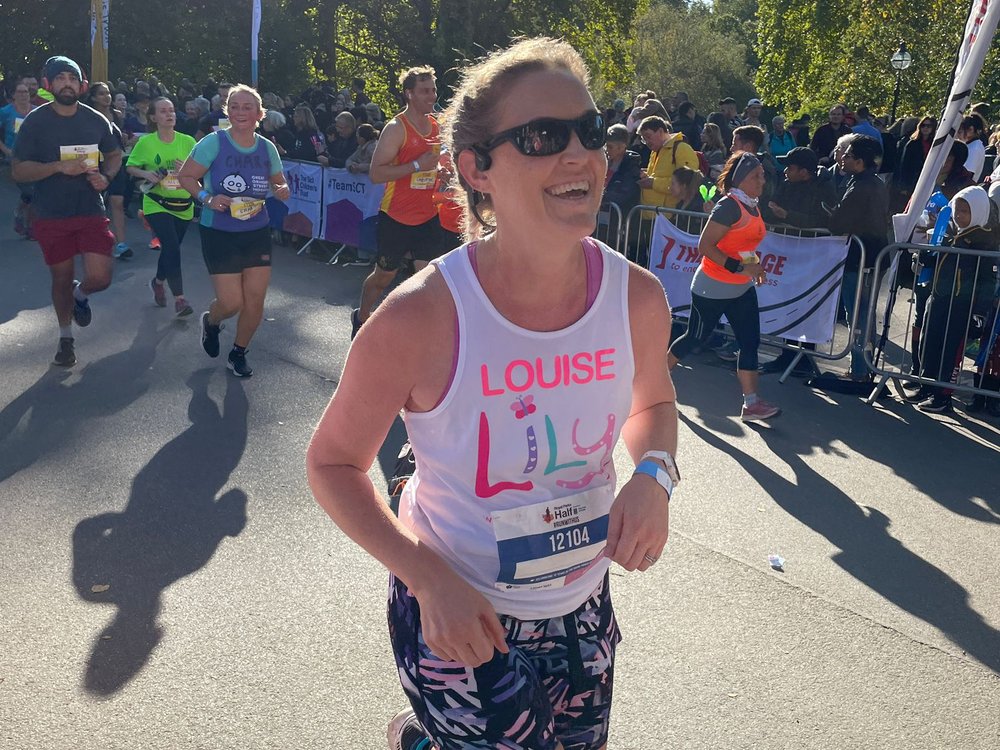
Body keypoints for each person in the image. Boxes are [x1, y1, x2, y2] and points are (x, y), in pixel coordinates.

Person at [306, 37, 678, 750]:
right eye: (542, 137)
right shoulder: (419, 318)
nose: (579, 156)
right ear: (476, 169)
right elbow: (332, 465)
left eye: (589, 132)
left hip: (582, 603)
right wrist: (423, 576)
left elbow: (653, 405)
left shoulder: (636, 298)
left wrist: (655, 476)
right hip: (458, 605)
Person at [11, 56, 122, 367]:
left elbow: (114, 155)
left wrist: (107, 177)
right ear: (49, 85)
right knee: (62, 277)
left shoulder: (95, 120)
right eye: (60, 78)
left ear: (81, 84)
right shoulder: (36, 121)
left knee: (100, 277)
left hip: (89, 209)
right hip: (51, 213)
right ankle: (65, 339)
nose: (67, 83)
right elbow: (19, 171)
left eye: (72, 78)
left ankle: (81, 295)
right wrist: (58, 167)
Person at [177, 84, 291, 378]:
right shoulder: (214, 143)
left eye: (247, 107)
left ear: (259, 113)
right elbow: (186, 176)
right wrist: (207, 199)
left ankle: (238, 352)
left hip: (256, 229)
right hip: (219, 230)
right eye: (235, 106)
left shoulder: (266, 148)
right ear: (228, 111)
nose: (241, 112)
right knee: (231, 302)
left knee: (255, 300)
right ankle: (212, 321)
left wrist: (281, 189)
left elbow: (279, 182)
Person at [667, 152, 781, 421]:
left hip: (741, 287)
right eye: (757, 176)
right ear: (741, 179)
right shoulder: (728, 206)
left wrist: (756, 267)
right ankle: (658, 379)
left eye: (762, 175)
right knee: (695, 338)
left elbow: (744, 244)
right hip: (712, 287)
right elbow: (705, 247)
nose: (762, 180)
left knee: (750, 341)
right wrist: (742, 268)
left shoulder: (752, 204)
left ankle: (751, 404)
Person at [352, 65, 444, 338]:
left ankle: (416, 336)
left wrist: (442, 172)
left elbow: (433, 166)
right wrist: (417, 165)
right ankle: (361, 316)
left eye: (434, 90)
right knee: (383, 277)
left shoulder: (436, 125)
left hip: (428, 215)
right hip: (396, 217)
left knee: (427, 278)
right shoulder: (396, 128)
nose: (432, 96)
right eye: (425, 91)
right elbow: (376, 173)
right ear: (409, 94)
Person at [909, 186, 999, 412]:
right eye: (957, 210)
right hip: (940, 295)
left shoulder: (984, 239)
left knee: (951, 350)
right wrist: (924, 259)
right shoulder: (951, 230)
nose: (959, 216)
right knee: (931, 342)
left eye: (965, 211)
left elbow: (988, 281)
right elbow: (939, 255)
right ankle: (927, 384)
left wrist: (979, 312)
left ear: (977, 211)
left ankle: (943, 395)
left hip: (962, 304)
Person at [127, 96, 197, 317]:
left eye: (172, 110)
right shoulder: (146, 143)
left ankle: (158, 282)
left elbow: (202, 170)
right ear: (154, 117)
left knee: (170, 249)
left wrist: (188, 168)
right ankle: (180, 299)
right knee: (172, 247)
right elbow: (130, 167)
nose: (170, 114)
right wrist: (146, 173)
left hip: (184, 204)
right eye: (164, 111)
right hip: (157, 202)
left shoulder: (188, 142)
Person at [828, 135, 889, 382]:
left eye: (849, 155)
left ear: (861, 161)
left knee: (858, 314)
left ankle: (860, 370)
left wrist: (831, 215)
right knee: (862, 312)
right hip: (868, 257)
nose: (842, 158)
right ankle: (861, 368)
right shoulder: (869, 182)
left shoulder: (863, 185)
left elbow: (840, 223)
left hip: (863, 259)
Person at [85, 81, 133, 259]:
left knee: (117, 203)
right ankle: (92, 240)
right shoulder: (88, 117)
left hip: (116, 164)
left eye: (108, 93)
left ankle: (121, 244)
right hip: (95, 164)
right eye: (101, 94)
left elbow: (120, 142)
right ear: (93, 98)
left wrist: (127, 139)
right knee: (94, 204)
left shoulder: (117, 115)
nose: (107, 97)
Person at [1, 79, 35, 238]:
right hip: (15, 158)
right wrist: (5, 150)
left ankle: (27, 224)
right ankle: (22, 216)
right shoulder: (6, 112)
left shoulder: (36, 112)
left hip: (35, 158)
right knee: (30, 191)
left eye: (26, 92)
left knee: (34, 192)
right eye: (20, 92)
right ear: (13, 95)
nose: (23, 95)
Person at [601, 123, 641, 215]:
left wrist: (600, 197)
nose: (606, 150)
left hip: (618, 215)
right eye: (605, 146)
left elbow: (625, 192)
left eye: (610, 147)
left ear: (622, 147)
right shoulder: (603, 163)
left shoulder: (631, 166)